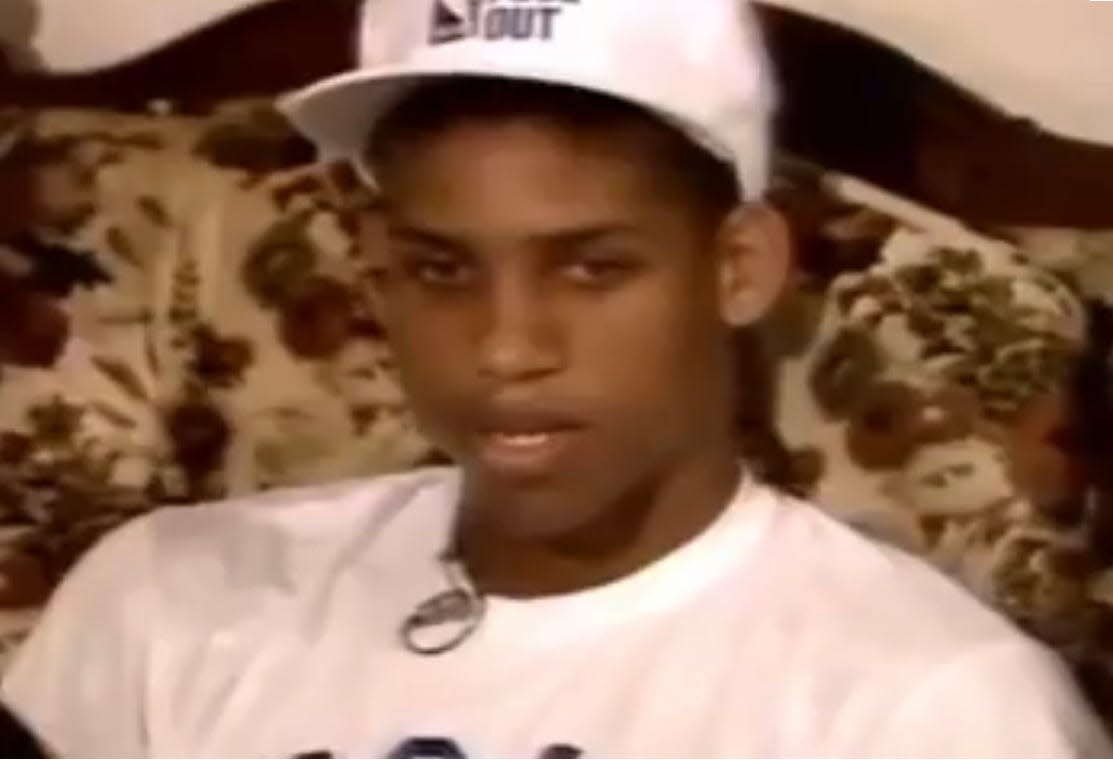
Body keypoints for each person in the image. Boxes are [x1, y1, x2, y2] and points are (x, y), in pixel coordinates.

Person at [2, 0, 1110, 758]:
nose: (504, 349)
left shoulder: (928, 712)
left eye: (592, 268)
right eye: (442, 269)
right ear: (374, 269)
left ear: (737, 267)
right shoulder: (164, 605)